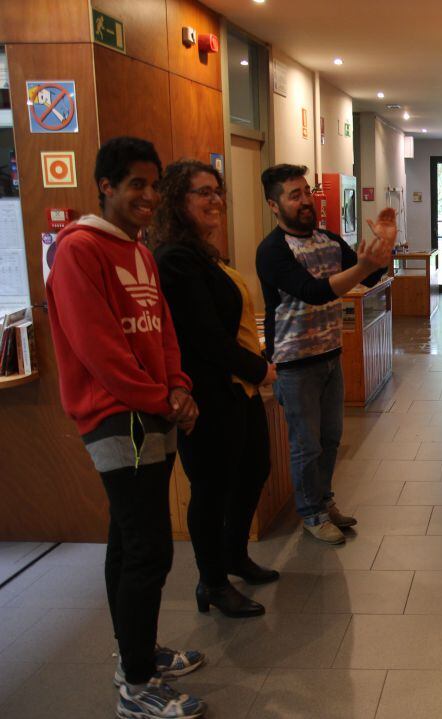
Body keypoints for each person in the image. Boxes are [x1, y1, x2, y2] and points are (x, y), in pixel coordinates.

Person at [45, 137, 206, 719]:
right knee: (149, 549)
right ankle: (136, 685)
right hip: (117, 417)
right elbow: (99, 349)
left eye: (154, 184)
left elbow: (161, 329)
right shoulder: (79, 250)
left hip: (155, 409)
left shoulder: (138, 249)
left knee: (128, 538)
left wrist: (178, 384)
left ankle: (136, 652)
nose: (148, 195)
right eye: (136, 183)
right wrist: (162, 397)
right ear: (106, 186)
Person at [151, 160, 279, 619]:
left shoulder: (203, 254)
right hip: (206, 394)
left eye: (217, 191)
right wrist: (260, 368)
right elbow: (203, 336)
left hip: (238, 389)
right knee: (211, 488)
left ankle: (233, 555)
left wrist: (252, 371)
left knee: (253, 469)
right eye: (202, 192)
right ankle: (212, 582)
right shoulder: (174, 259)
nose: (215, 200)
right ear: (176, 201)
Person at [255, 164, 395, 544]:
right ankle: (311, 514)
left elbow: (369, 277)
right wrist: (364, 265)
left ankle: (324, 501)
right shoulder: (272, 251)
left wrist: (382, 253)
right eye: (294, 195)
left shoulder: (329, 241)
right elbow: (314, 292)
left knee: (331, 438)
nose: (305, 201)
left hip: (330, 354)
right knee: (307, 444)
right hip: (294, 363)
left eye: (306, 192)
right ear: (273, 204)